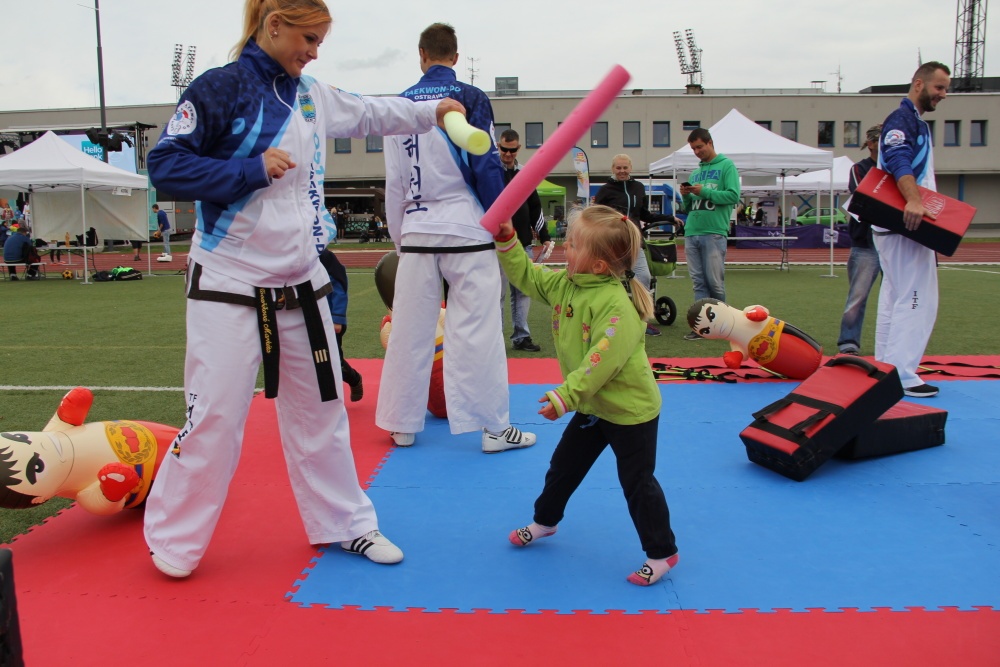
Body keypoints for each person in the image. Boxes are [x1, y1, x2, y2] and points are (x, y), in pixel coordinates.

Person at [141, 0, 464, 579]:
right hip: (228, 280)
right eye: (308, 39)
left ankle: (346, 523)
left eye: (319, 41)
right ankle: (174, 539)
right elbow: (165, 166)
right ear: (274, 26)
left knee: (323, 413)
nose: (314, 52)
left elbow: (371, 112)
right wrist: (248, 169)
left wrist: (432, 110)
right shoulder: (220, 88)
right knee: (213, 418)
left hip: (301, 280)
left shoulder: (311, 94)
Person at [496, 205, 679, 587]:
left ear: (598, 265)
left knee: (638, 482)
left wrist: (565, 396)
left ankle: (662, 553)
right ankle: (545, 521)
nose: (567, 247)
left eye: (575, 244)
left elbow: (600, 363)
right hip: (593, 406)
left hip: (630, 412)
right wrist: (508, 241)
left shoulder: (617, 307)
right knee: (563, 467)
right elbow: (527, 276)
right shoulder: (567, 284)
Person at [377, 22, 535, 454]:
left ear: (422, 55)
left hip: (417, 229)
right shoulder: (471, 97)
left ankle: (400, 424)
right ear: (456, 56)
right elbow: (485, 162)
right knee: (478, 329)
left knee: (409, 329)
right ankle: (494, 429)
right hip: (467, 228)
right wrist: (500, 218)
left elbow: (394, 182)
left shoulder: (400, 104)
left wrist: (400, 238)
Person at [874, 61, 951, 398]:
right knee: (918, 297)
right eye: (939, 87)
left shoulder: (913, 121)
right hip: (906, 224)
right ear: (919, 84)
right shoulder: (903, 119)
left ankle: (885, 368)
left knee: (895, 295)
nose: (943, 95)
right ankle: (902, 375)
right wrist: (914, 201)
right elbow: (897, 158)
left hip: (894, 226)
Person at [679, 128, 741, 340]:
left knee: (714, 282)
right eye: (693, 149)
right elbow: (689, 208)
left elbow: (733, 196)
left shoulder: (727, 166)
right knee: (698, 282)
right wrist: (686, 196)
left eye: (699, 147)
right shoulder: (695, 173)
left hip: (714, 232)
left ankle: (723, 324)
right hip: (692, 232)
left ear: (710, 143)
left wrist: (704, 191)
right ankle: (702, 326)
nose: (697, 152)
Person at [594, 154, 664, 336]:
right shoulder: (605, 190)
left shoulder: (638, 187)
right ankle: (610, 319)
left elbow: (644, 214)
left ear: (630, 168)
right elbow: (595, 214)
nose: (622, 171)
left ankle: (641, 321)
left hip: (634, 242)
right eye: (618, 168)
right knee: (610, 281)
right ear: (613, 169)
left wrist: (669, 218)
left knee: (644, 277)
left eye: (625, 168)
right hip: (612, 243)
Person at [497, 128, 549, 352]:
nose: (508, 154)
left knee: (522, 292)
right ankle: (495, 339)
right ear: (498, 146)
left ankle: (522, 337)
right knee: (497, 294)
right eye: (504, 149)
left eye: (512, 150)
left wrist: (545, 236)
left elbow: (535, 207)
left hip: (523, 244)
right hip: (497, 244)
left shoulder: (526, 174)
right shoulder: (491, 171)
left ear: (518, 148)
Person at [837, 124, 884, 355]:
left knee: (897, 297)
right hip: (866, 242)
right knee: (858, 295)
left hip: (895, 243)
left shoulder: (900, 170)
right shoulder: (859, 169)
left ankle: (893, 342)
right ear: (872, 144)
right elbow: (864, 196)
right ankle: (849, 341)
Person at [319, 249, 364, 401]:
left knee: (333, 361)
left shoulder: (325, 256)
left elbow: (339, 285)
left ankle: (354, 378)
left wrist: (337, 318)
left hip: (329, 320)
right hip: (305, 319)